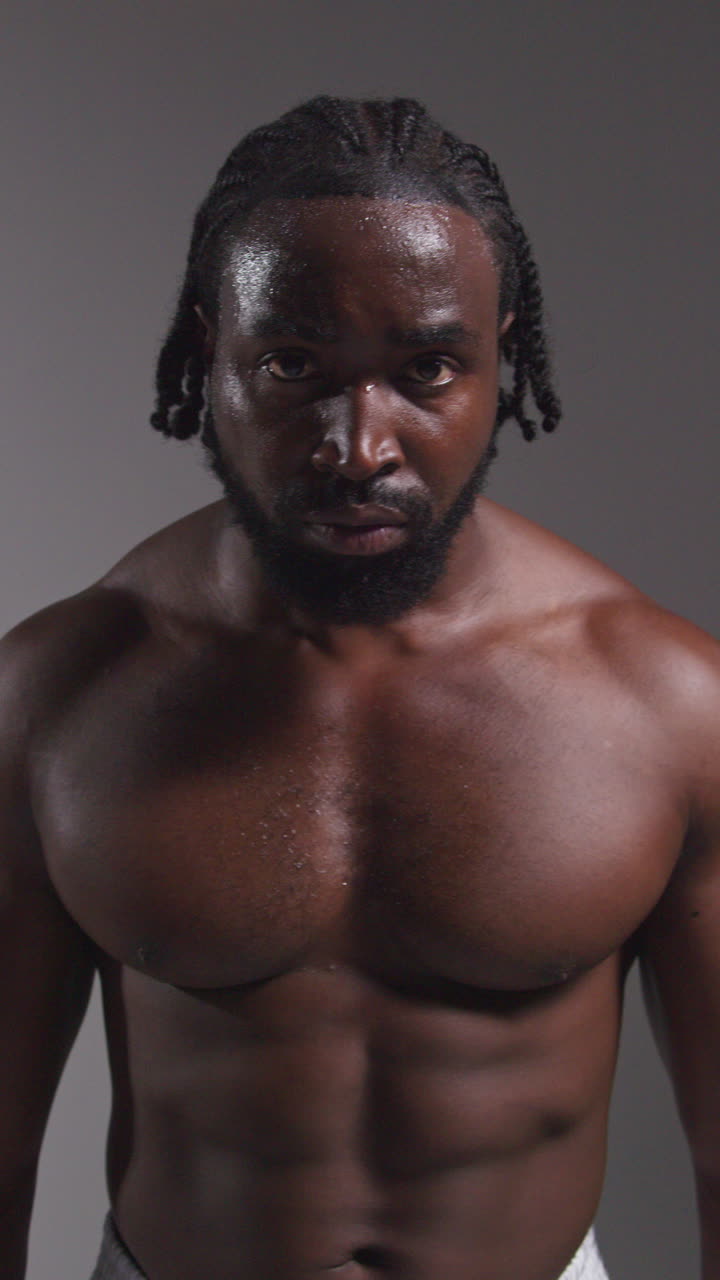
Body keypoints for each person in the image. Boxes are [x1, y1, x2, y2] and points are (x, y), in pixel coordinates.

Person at [2, 95, 718, 1280]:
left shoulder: (664, 704)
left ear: (506, 356)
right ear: (205, 355)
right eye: (292, 363)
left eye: (427, 368)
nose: (358, 444)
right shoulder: (60, 698)